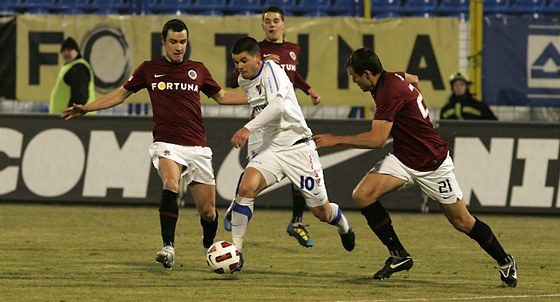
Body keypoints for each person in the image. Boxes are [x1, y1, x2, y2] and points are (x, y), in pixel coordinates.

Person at [313, 48, 517, 287]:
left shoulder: (389, 91)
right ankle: (399, 255)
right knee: (363, 194)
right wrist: (421, 115)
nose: (355, 82)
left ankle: (505, 261)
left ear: (367, 74)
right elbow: (414, 79)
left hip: (433, 163)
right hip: (404, 157)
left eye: (354, 76)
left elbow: (377, 140)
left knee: (462, 221)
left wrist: (334, 139)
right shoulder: (393, 77)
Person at [62, 19, 248, 270]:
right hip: (166, 142)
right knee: (170, 184)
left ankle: (209, 246)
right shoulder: (149, 69)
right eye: (173, 42)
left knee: (209, 212)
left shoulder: (198, 70)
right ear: (163, 42)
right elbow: (120, 94)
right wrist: (87, 108)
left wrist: (259, 97)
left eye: (183, 42)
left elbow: (222, 96)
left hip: (197, 146)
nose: (179, 47)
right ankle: (168, 247)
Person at [228, 36, 355, 269]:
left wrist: (247, 128)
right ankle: (235, 252)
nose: (239, 67)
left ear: (258, 58)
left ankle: (343, 226)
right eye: (235, 62)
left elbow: (277, 106)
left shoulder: (272, 69)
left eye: (243, 60)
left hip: (298, 147)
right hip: (272, 149)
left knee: (321, 212)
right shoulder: (243, 80)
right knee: (246, 188)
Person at [223, 5, 322, 248]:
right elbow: (232, 79)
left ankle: (296, 221)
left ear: (283, 24)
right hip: (263, 122)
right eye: (267, 21)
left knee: (297, 174)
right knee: (252, 173)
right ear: (263, 25)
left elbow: (293, 76)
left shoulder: (293, 50)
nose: (271, 24)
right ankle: (236, 207)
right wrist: (263, 62)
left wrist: (309, 90)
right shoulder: (256, 51)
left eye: (276, 20)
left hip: (287, 121)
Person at [49, 37, 96, 115]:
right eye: (63, 51)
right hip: (71, 117)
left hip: (75, 118)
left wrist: (72, 112)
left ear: (76, 51)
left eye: (69, 50)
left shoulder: (78, 68)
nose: (66, 53)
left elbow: (80, 94)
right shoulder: (70, 66)